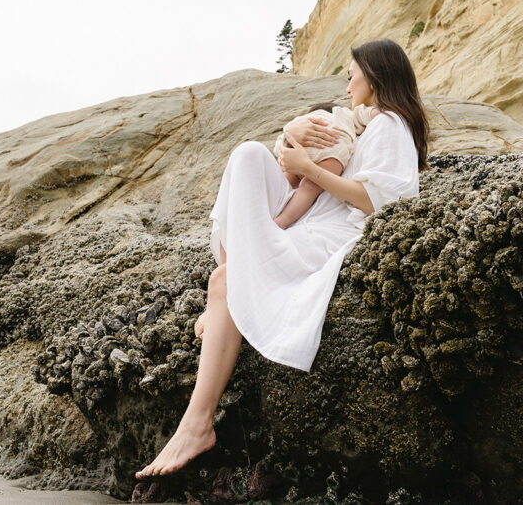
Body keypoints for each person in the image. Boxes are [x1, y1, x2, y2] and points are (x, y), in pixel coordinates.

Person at [135, 38, 430, 479]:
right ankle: (231, 295)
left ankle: (196, 425)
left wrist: (308, 168)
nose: (347, 80)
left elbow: (374, 200)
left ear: (375, 73)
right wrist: (292, 138)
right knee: (249, 154)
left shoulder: (392, 125)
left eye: (352, 71)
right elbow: (319, 152)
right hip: (312, 223)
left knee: (225, 282)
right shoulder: (367, 122)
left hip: (334, 237)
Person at [271, 100, 380, 229]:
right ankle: (282, 221)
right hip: (331, 148)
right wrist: (378, 112)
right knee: (308, 188)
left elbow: (281, 144)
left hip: (301, 146)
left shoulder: (301, 121)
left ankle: (270, 209)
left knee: (287, 179)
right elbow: (366, 114)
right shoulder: (345, 114)